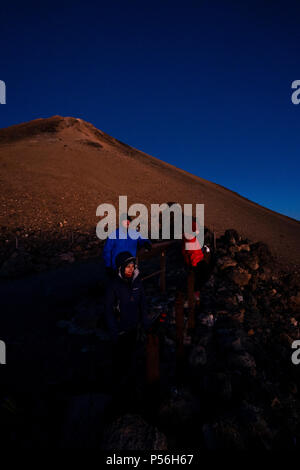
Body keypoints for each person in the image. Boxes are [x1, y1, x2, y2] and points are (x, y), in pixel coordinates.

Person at [105, 251, 150, 400]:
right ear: (121, 268)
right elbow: (108, 310)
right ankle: (119, 394)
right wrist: (113, 331)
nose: (131, 269)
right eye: (127, 267)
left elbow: (143, 302)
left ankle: (132, 392)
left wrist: (145, 321)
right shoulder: (114, 286)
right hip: (120, 330)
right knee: (120, 362)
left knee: (133, 359)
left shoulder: (137, 281)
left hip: (134, 326)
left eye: (132, 266)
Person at [102, 213, 152, 278]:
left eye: (128, 221)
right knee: (118, 285)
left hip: (130, 266)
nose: (127, 223)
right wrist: (108, 265)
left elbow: (142, 239)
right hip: (117, 267)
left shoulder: (134, 233)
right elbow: (107, 250)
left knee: (130, 283)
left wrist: (146, 243)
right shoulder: (114, 234)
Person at [182, 217, 212, 300]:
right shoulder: (189, 237)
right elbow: (190, 253)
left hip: (198, 260)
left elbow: (194, 251)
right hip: (195, 262)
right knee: (202, 275)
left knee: (206, 273)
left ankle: (196, 291)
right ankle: (195, 292)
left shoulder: (191, 237)